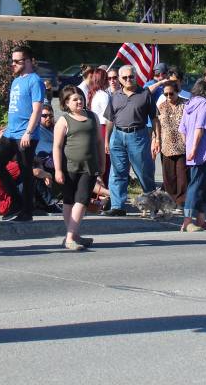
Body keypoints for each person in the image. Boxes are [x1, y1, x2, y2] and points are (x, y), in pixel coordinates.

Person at [0, 44, 45, 222]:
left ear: (28, 61)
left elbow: (37, 110)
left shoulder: (35, 81)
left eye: (17, 61)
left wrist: (28, 132)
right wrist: (2, 129)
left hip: (25, 135)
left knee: (26, 172)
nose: (13, 64)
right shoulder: (16, 81)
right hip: (10, 133)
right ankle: (18, 202)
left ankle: (27, 211)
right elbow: (15, 110)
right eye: (12, 61)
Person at [103, 64, 159, 216]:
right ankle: (117, 206)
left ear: (135, 77)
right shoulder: (115, 96)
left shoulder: (145, 94)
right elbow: (109, 120)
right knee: (117, 172)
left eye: (131, 77)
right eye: (125, 77)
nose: (128, 80)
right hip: (117, 135)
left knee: (144, 172)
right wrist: (106, 140)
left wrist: (157, 138)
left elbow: (154, 118)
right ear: (120, 79)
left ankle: (152, 205)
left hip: (138, 135)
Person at [52, 86, 104, 251]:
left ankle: (70, 237)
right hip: (69, 168)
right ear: (66, 103)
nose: (79, 101)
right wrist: (58, 170)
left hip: (89, 167)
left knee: (81, 201)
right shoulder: (64, 120)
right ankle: (72, 235)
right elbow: (57, 146)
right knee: (69, 201)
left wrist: (102, 163)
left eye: (81, 98)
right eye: (75, 99)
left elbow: (99, 143)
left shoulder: (92, 117)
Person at [179, 80, 206, 232]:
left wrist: (188, 146)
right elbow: (200, 127)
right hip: (204, 152)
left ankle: (201, 220)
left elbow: (182, 129)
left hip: (195, 151)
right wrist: (194, 148)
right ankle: (188, 221)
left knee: (205, 186)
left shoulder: (188, 105)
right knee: (196, 186)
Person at [157, 81, 188, 210]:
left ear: (177, 92)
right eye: (166, 94)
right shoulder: (161, 106)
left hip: (183, 145)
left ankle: (181, 201)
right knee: (168, 176)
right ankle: (170, 200)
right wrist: (155, 140)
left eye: (171, 94)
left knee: (182, 176)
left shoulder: (186, 104)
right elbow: (157, 125)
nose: (169, 97)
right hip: (166, 145)